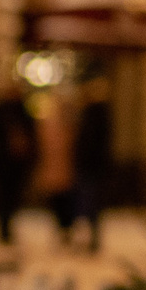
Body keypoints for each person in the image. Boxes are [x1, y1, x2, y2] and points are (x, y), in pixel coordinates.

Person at [59, 76, 117, 253]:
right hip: (90, 167)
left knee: (87, 205)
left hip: (90, 168)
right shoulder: (94, 114)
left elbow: (91, 144)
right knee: (87, 205)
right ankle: (89, 238)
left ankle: (89, 238)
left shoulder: (95, 114)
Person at [0, 82, 38, 247]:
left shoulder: (24, 111)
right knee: (0, 199)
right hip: (1, 165)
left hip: (17, 166)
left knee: (13, 199)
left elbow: (33, 138)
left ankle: (8, 227)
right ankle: (2, 228)